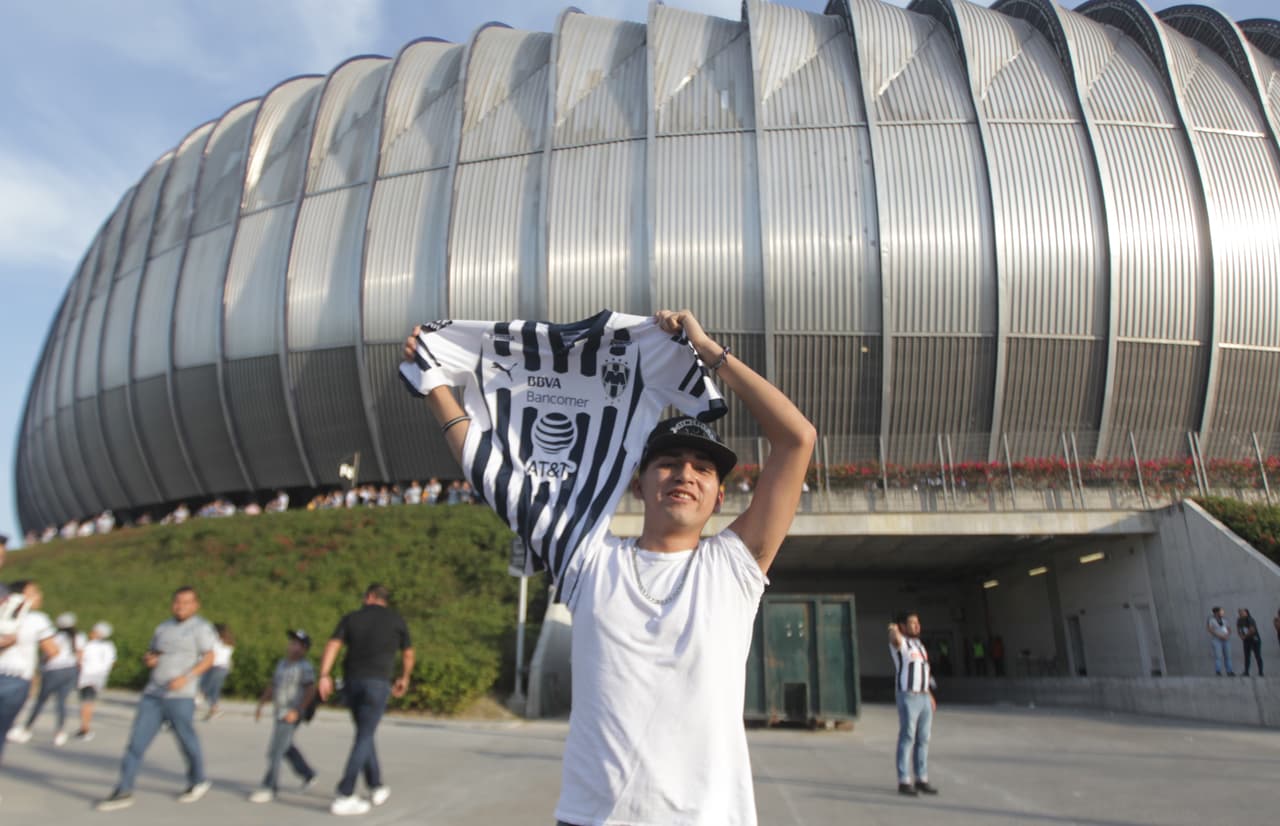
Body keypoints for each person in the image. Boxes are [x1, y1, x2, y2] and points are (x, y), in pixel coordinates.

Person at [402, 309, 815, 825]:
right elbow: (491, 469)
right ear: (638, 484)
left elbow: (797, 440)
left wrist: (710, 352)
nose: (685, 474)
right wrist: (435, 378)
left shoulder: (734, 567)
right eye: (668, 462)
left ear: (717, 495)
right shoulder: (587, 559)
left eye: (703, 468)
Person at [95, 586, 218, 811]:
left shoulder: (201, 628)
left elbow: (209, 658)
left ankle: (198, 780)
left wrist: (187, 677)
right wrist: (149, 659)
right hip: (153, 693)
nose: (181, 606)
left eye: (187, 602)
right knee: (136, 743)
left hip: (180, 695)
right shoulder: (163, 627)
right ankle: (124, 789)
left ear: (196, 605)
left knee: (186, 739)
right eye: (178, 602)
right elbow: (154, 653)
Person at [318, 584, 413, 816]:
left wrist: (324, 675)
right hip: (378, 684)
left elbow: (333, 645)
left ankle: (376, 785)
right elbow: (408, 653)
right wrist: (404, 677)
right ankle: (345, 792)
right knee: (365, 735)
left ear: (369, 597)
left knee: (364, 733)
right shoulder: (396, 621)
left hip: (352, 683)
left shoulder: (351, 618)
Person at [249, 629, 318, 803]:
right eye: (291, 643)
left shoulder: (305, 667)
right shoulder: (282, 664)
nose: (292, 647)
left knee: (275, 750)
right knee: (285, 747)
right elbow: (273, 684)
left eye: (297, 644)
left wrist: (298, 710)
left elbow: (310, 690)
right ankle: (307, 773)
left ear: (304, 649)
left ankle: (269, 787)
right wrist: (261, 703)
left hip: (292, 713)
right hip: (279, 711)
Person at [0, 581, 59, 761]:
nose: (39, 596)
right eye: (34, 592)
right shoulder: (37, 619)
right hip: (17, 679)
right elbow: (52, 650)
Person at [11, 612, 81, 746]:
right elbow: (80, 656)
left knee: (41, 700)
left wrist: (41, 664)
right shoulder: (79, 637)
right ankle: (60, 732)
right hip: (70, 670)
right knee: (61, 702)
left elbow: (51, 652)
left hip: (54, 669)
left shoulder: (57, 636)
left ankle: (26, 728)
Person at [890, 612, 938, 797]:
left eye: (918, 622)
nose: (917, 626)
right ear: (902, 626)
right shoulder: (900, 644)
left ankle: (922, 778)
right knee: (907, 737)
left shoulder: (920, 645)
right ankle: (904, 780)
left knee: (923, 739)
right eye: (912, 623)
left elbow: (924, 670)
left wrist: (929, 695)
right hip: (908, 696)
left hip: (924, 696)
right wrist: (892, 627)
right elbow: (894, 638)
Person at [76, 621, 117, 740]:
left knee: (86, 703)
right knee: (87, 702)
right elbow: (111, 663)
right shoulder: (109, 646)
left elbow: (80, 658)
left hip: (88, 677)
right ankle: (84, 726)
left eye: (94, 631)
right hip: (95, 678)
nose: (91, 633)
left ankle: (85, 728)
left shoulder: (89, 645)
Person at [200, 623, 235, 720]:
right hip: (224, 668)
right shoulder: (229, 641)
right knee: (214, 689)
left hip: (214, 667)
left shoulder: (215, 641)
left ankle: (193, 707)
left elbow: (208, 654)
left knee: (204, 688)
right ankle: (214, 709)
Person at [1207, 606, 1234, 676]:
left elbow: (1229, 629)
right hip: (1217, 640)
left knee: (1228, 656)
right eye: (1221, 611)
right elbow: (1210, 629)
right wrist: (1219, 636)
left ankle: (1229, 671)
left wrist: (1227, 635)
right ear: (1216, 612)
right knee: (1218, 656)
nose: (1222, 612)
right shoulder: (1211, 620)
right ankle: (1218, 671)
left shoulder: (1224, 620)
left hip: (1226, 639)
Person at [1238, 608, 1263, 676]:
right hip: (1246, 640)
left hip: (1254, 640)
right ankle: (1246, 672)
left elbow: (1252, 630)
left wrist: (1244, 636)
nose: (1240, 613)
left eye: (1242, 612)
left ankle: (1261, 672)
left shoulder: (1250, 619)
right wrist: (1241, 636)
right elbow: (1239, 630)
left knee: (1257, 655)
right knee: (1247, 656)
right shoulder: (1239, 620)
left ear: (1246, 613)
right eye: (1239, 612)